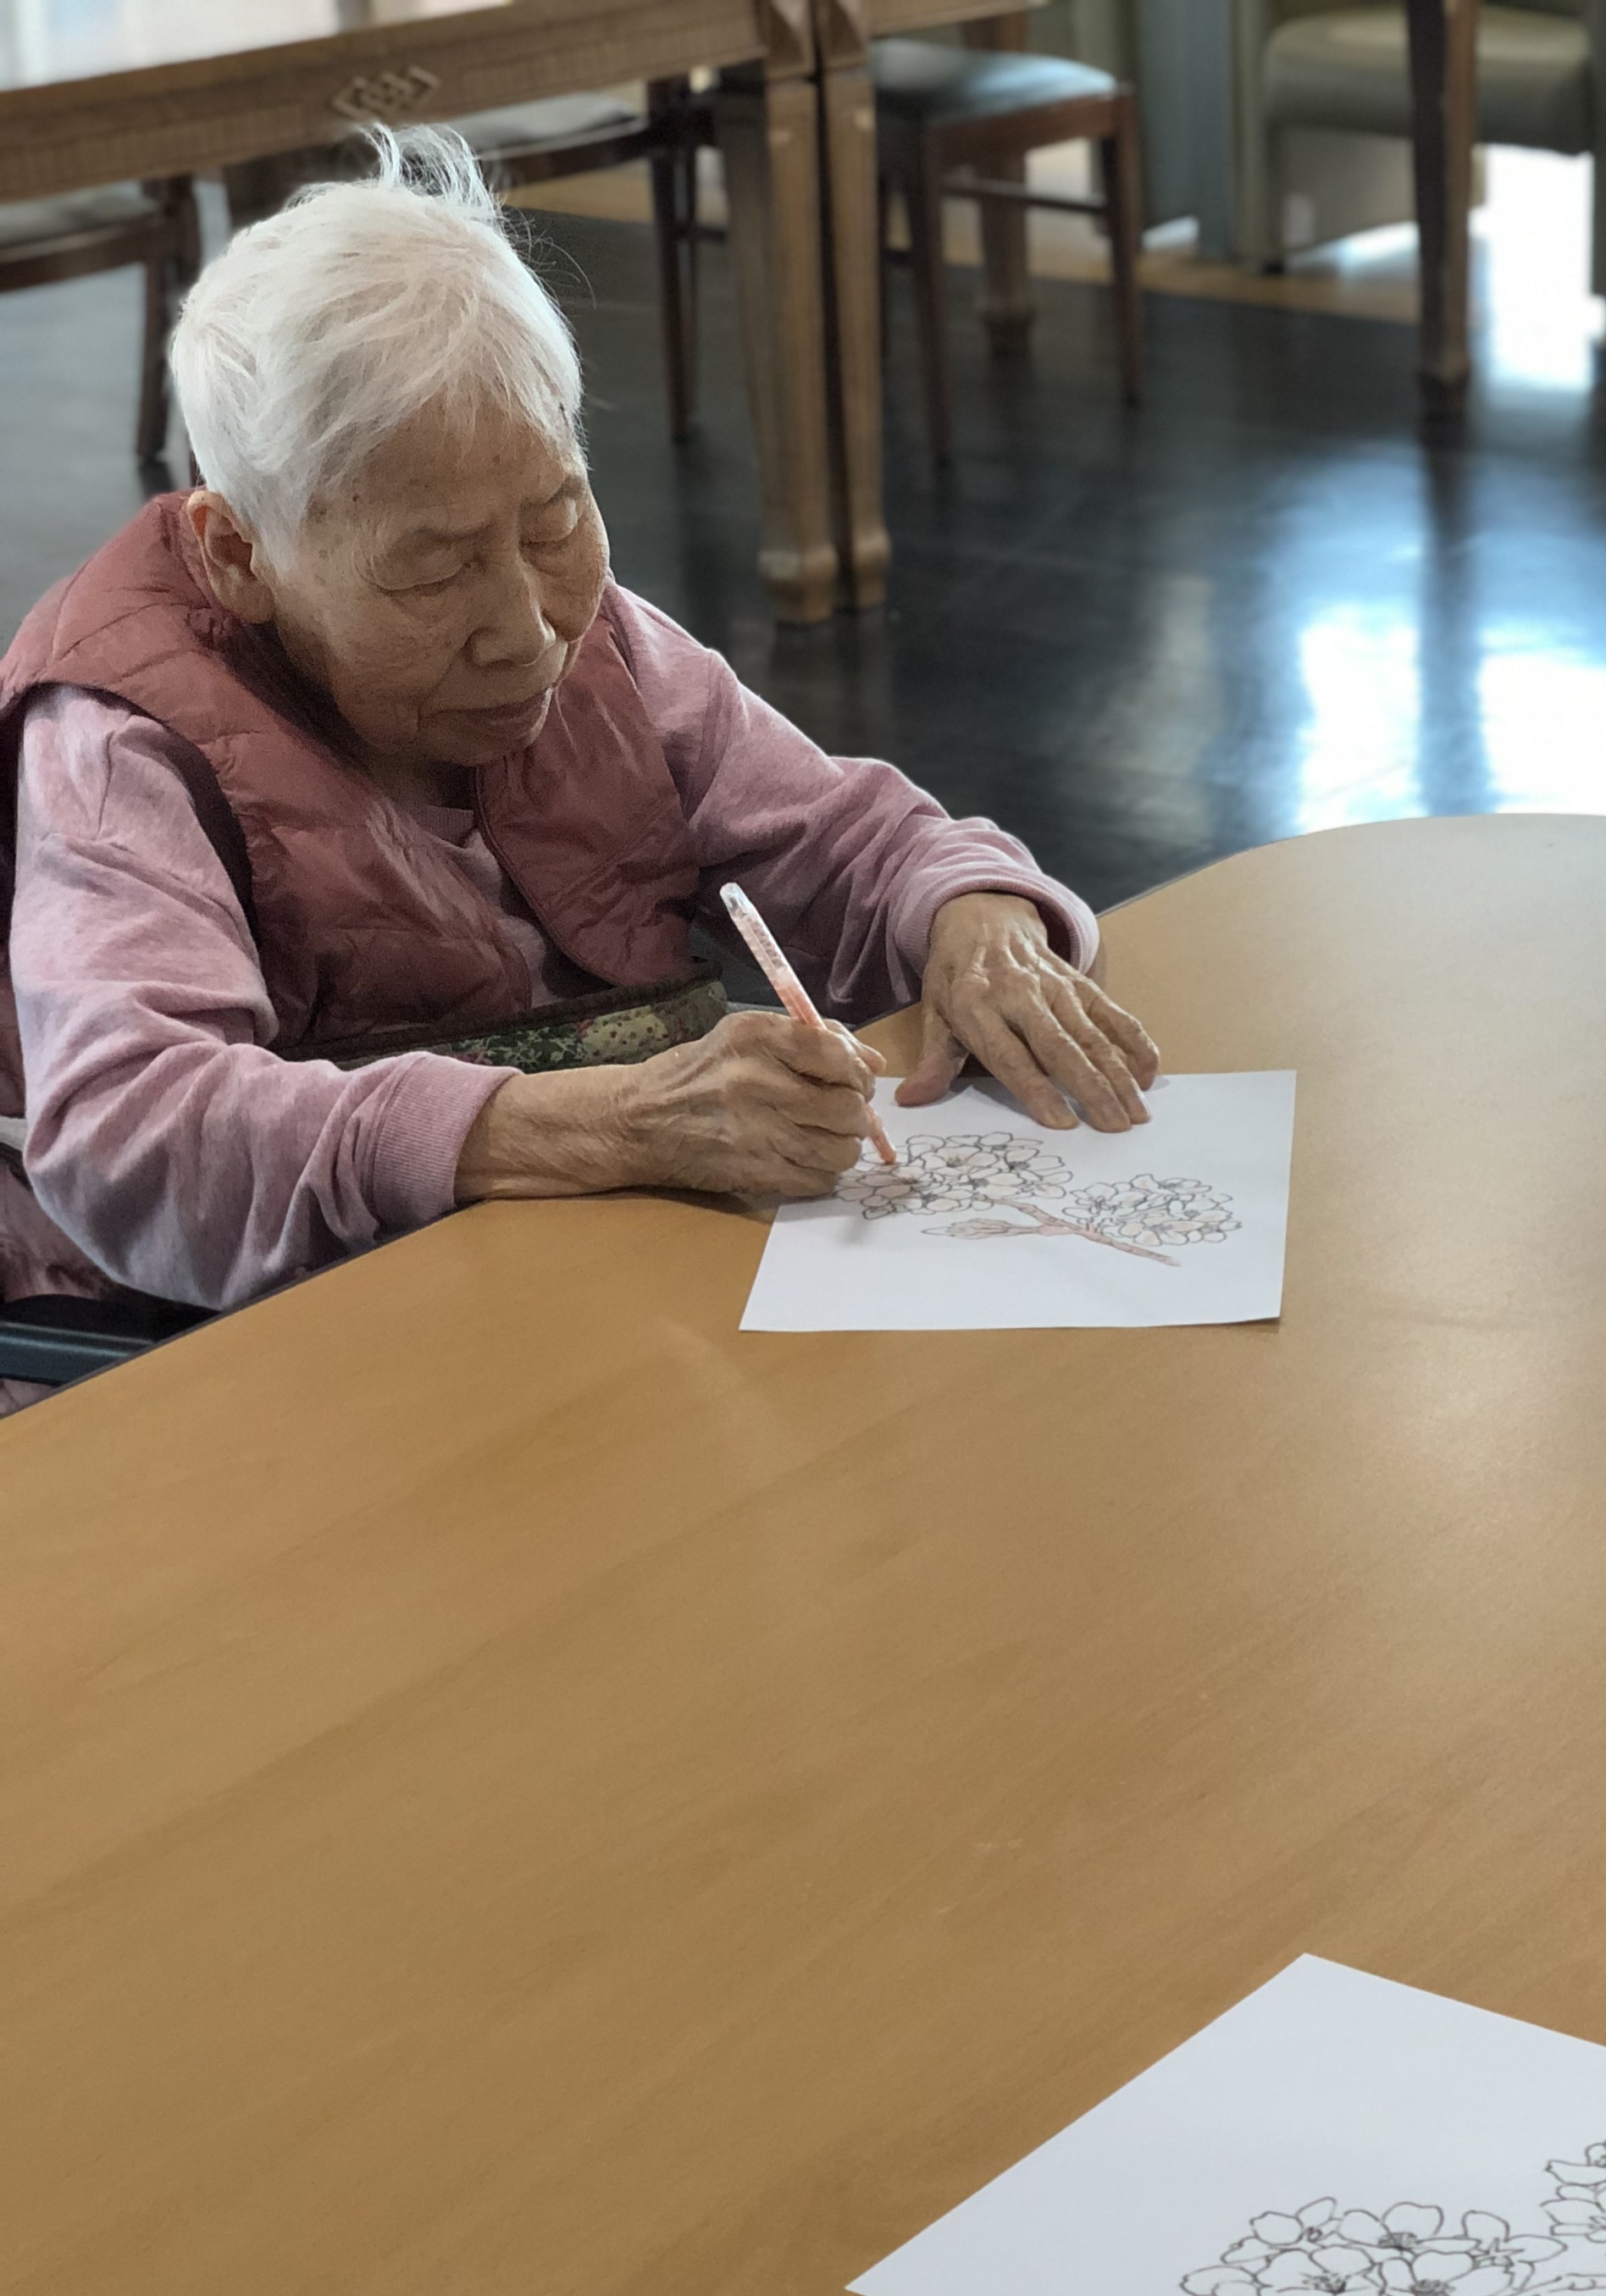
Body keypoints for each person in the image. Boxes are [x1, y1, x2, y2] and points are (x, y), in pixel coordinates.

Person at [0, 130, 1157, 1369]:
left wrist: (972, 916)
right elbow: (135, 1130)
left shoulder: (591, 629)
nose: (528, 629)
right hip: (259, 1355)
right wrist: (609, 1123)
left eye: (556, 520)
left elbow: (845, 843)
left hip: (574, 1289)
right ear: (239, 555)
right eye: (433, 570)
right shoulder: (122, 741)